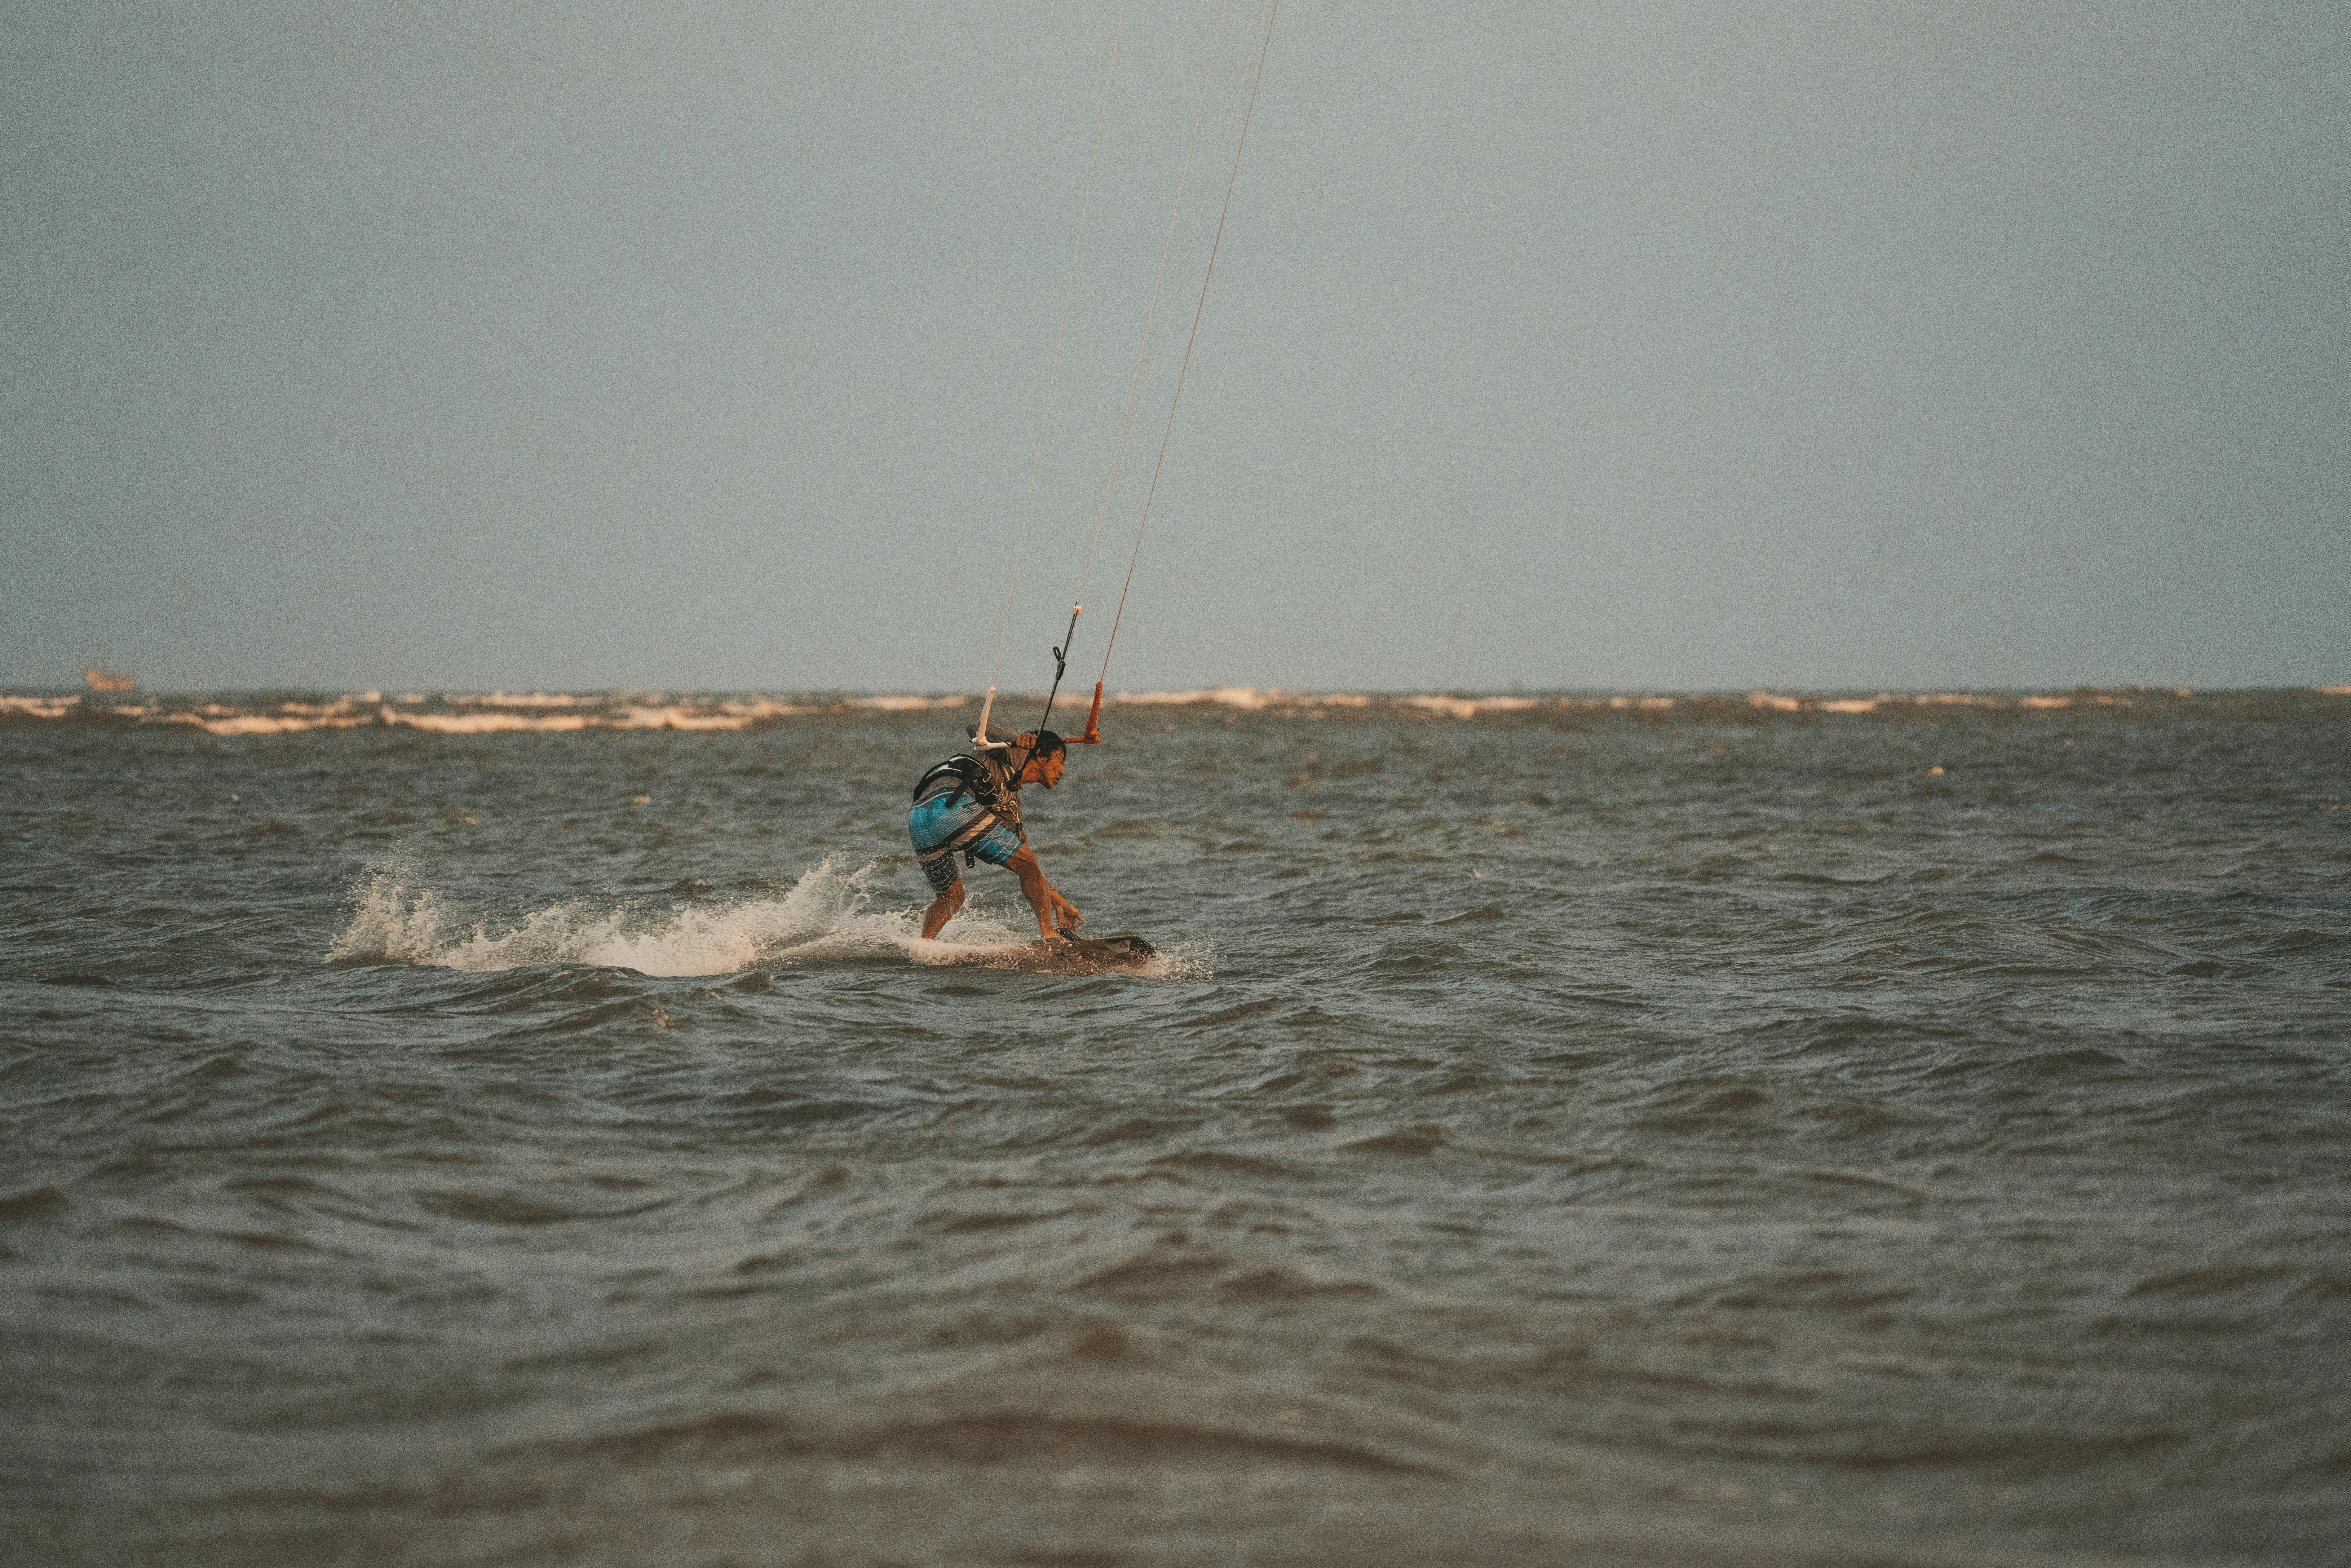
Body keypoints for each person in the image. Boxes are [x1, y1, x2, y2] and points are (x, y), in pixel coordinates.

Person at [907, 724, 1083, 942]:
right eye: (1061, 760)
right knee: (1027, 863)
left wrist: (1060, 903)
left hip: (918, 819)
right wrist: (1016, 739)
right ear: (1040, 754)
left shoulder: (1009, 804)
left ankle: (924, 946)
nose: (1063, 772)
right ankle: (1049, 934)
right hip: (949, 805)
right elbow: (976, 728)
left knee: (951, 897)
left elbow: (1026, 864)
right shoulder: (1014, 754)